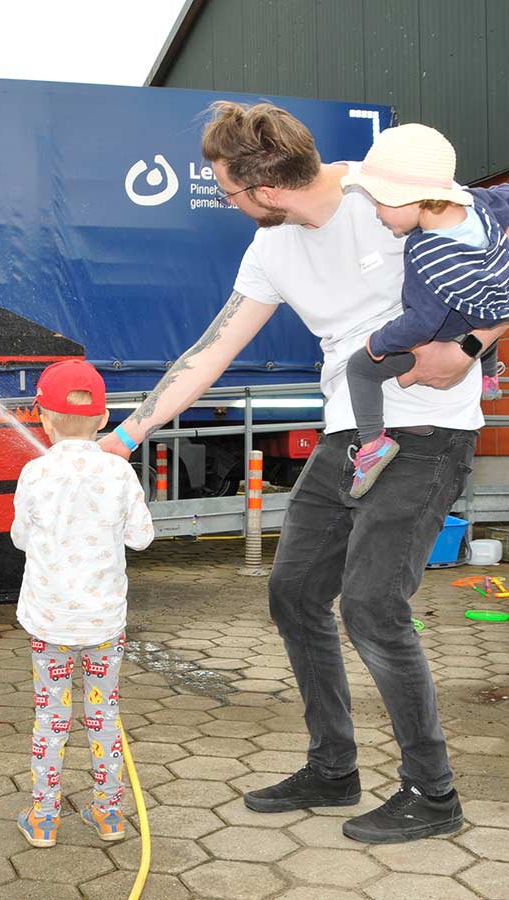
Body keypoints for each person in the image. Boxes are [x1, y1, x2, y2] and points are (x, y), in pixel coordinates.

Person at [100, 102, 507, 844]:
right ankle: (333, 767)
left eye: (228, 191)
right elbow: (212, 350)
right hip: (345, 434)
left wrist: (475, 344)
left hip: (430, 432)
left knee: (374, 605)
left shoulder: (385, 188)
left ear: (266, 185)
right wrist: (125, 434)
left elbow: (499, 249)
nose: (227, 204)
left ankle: (433, 791)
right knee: (294, 595)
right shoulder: (271, 251)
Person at [12, 358, 154, 849]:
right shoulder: (118, 472)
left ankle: (44, 818)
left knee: (50, 718)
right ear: (103, 418)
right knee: (104, 715)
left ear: (43, 419)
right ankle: (110, 813)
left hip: (49, 624)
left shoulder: (34, 472)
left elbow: (20, 539)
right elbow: (141, 539)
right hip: (103, 626)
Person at [343, 123, 509, 498]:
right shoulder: (479, 205)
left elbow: (423, 321)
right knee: (485, 308)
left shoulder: (427, 254)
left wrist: (378, 343)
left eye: (380, 202)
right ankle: (488, 376)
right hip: (496, 306)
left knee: (359, 369)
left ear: (410, 198)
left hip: (452, 329)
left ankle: (372, 445)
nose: (378, 215)